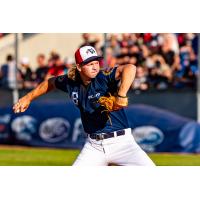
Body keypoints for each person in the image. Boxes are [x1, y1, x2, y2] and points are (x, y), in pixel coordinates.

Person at [13, 45, 155, 166]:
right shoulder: (70, 81)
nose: (95, 67)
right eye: (89, 63)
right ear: (79, 67)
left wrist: (121, 94)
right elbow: (50, 82)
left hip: (123, 143)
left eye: (96, 62)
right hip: (94, 146)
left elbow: (130, 68)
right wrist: (28, 97)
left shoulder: (103, 77)